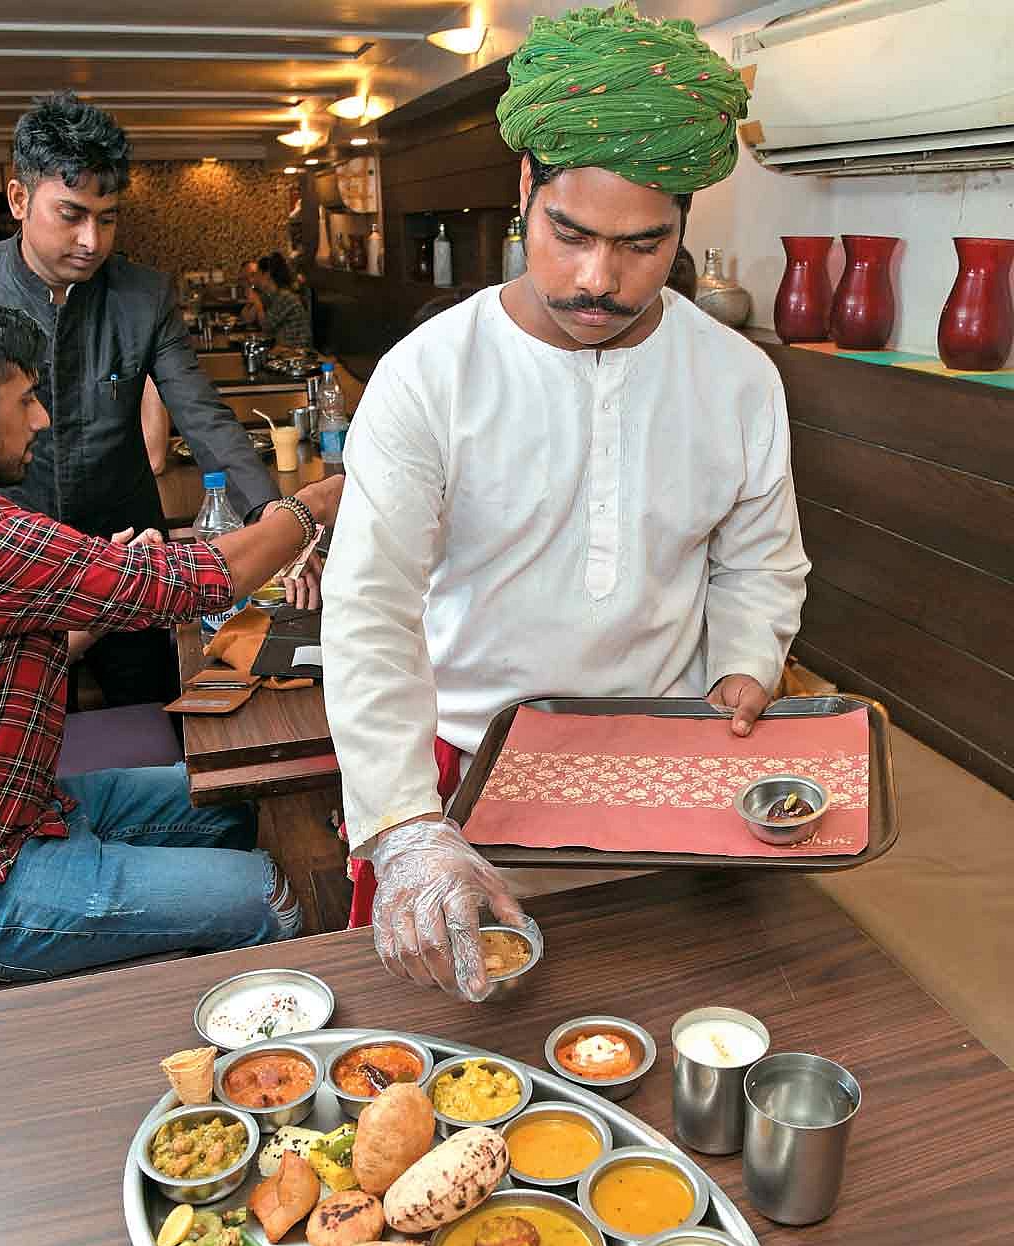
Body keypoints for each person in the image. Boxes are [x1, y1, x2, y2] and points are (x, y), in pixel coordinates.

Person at [320, 3, 810, 1001]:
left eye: (641, 245)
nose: (599, 278)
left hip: (665, 763)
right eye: (570, 233)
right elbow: (370, 608)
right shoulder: (428, 376)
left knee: (667, 1016)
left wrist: (746, 661)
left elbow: (757, 559)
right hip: (462, 775)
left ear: (682, 223)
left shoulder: (737, 376)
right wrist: (408, 827)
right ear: (523, 189)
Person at [0, 304, 343, 982]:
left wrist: (95, 599)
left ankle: (185, 967)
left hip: (33, 803)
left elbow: (20, 659)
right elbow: (207, 577)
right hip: (3, 871)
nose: (40, 419)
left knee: (229, 806)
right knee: (267, 892)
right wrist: (310, 510)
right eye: (26, 399)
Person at [0, 92, 319, 710]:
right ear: (18, 200)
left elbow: (202, 415)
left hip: (132, 556)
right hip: (14, 566)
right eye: (71, 214)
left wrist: (278, 526)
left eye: (108, 217)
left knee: (155, 721)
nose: (92, 240)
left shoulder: (142, 297)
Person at [244, 252, 313, 349]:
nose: (255, 279)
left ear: (266, 275)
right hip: (283, 349)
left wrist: (257, 303)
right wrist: (251, 301)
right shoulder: (270, 295)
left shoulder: (286, 296)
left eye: (257, 274)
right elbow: (247, 319)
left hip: (297, 351)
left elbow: (267, 326)